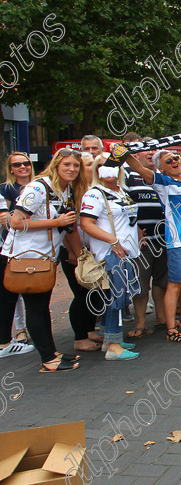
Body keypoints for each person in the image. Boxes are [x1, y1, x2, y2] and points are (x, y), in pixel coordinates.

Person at [0, 148, 85, 372]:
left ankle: (51, 352)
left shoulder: (64, 190)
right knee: (36, 307)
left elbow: (69, 227)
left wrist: (77, 254)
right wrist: (55, 223)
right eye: (66, 165)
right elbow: (16, 222)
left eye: (76, 166)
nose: (72, 169)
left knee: (41, 306)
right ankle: (48, 359)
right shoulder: (38, 187)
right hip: (26, 258)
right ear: (56, 165)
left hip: (44, 258)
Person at [121, 132, 181, 342]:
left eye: (175, 158)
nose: (174, 161)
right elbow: (139, 168)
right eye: (168, 160)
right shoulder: (161, 182)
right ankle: (171, 329)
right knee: (175, 284)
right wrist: (125, 154)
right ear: (161, 167)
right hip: (178, 241)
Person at [79, 153, 142, 360]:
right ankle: (114, 346)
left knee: (118, 297)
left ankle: (110, 339)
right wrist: (113, 241)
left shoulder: (122, 191)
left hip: (125, 252)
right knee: (116, 298)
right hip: (111, 253)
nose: (108, 168)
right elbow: (86, 224)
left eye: (113, 163)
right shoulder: (94, 194)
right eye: (102, 164)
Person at [123, 137, 168, 337]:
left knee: (162, 281)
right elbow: (121, 204)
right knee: (141, 284)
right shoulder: (125, 174)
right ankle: (140, 322)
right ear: (136, 154)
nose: (150, 153)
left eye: (154, 149)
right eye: (146, 150)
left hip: (165, 239)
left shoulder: (163, 174)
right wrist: (133, 228)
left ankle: (161, 318)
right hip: (141, 242)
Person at [1, 152, 33, 345]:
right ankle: (20, 329)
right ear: (11, 169)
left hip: (37, 245)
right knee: (14, 288)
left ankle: (31, 327)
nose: (23, 167)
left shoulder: (40, 185)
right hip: (13, 244)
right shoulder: (6, 189)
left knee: (35, 287)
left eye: (26, 163)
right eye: (17, 164)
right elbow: (5, 220)